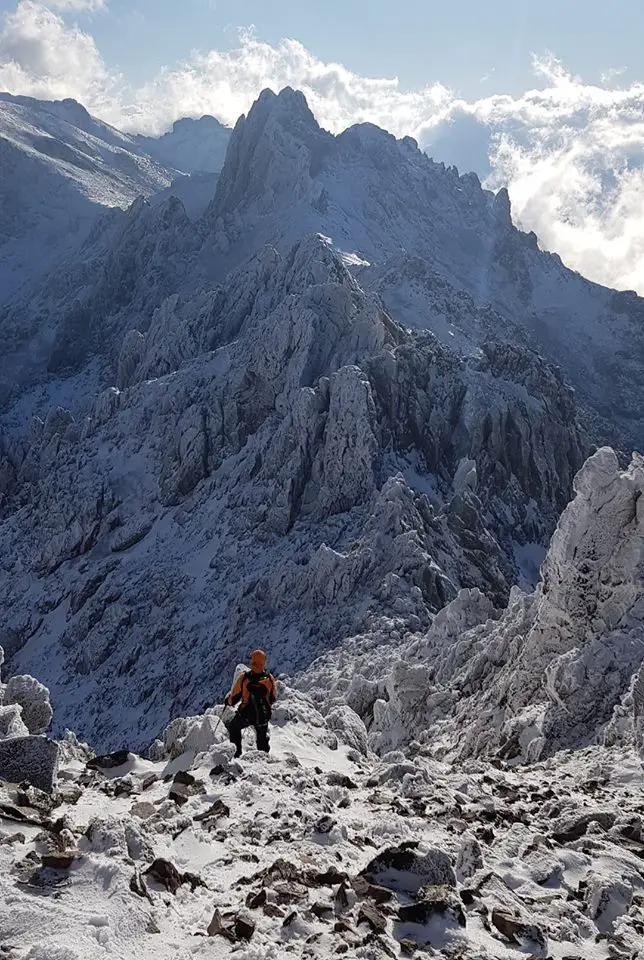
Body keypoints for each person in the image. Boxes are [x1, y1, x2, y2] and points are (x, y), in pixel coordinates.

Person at [225, 649, 277, 758]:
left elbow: (234, 699)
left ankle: (236, 753)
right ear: (264, 662)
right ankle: (263, 757)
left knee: (234, 727)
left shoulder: (244, 678)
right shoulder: (269, 678)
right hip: (262, 715)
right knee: (261, 736)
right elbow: (273, 698)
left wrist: (228, 700)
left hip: (246, 715)